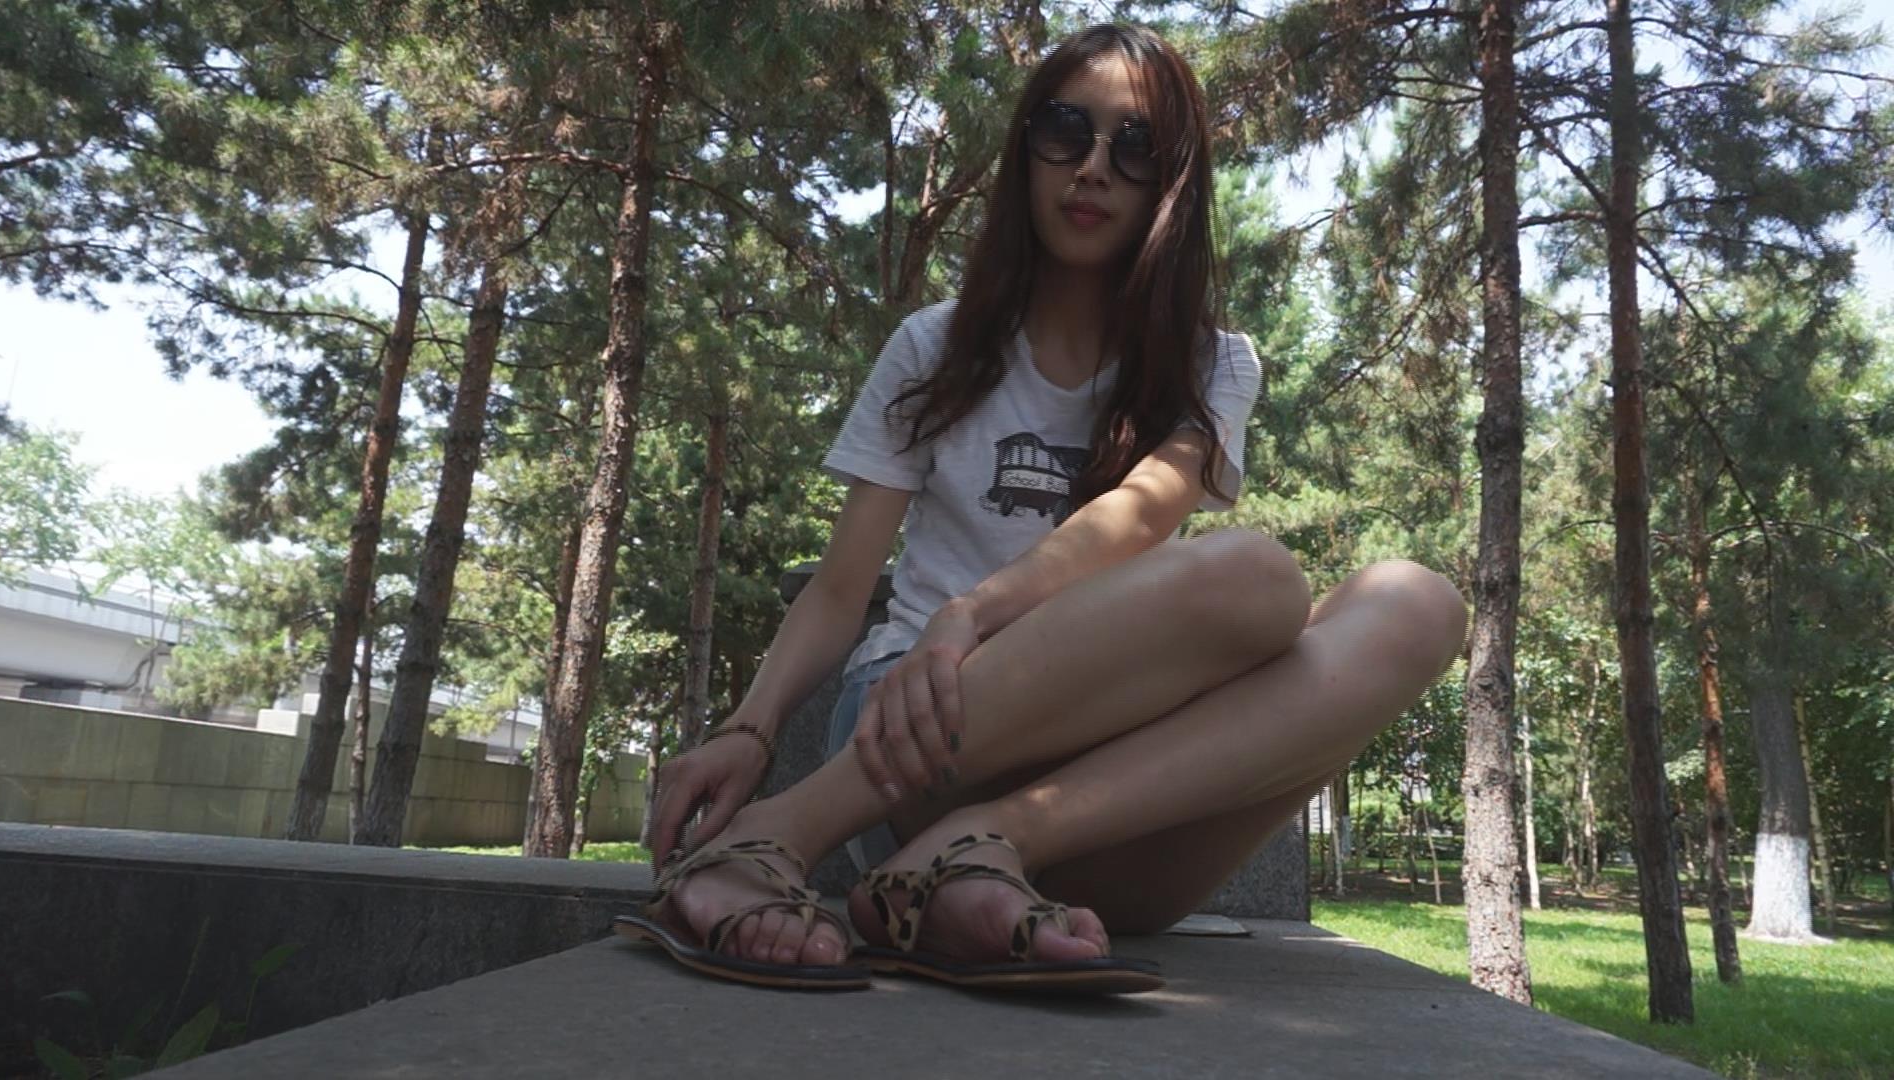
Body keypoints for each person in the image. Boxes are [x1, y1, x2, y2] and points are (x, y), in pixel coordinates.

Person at [614, 22, 1467, 994]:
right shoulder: (934, 348)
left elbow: (1143, 512)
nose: (1094, 167)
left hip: (1103, 806)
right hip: (920, 723)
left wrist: (974, 610)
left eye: (1135, 147)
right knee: (1258, 577)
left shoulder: (1213, 362)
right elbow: (842, 591)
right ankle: (784, 830)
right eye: (1066, 131)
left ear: (1172, 185)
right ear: (1026, 151)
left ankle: (973, 856)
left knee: (1419, 603)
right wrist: (752, 727)